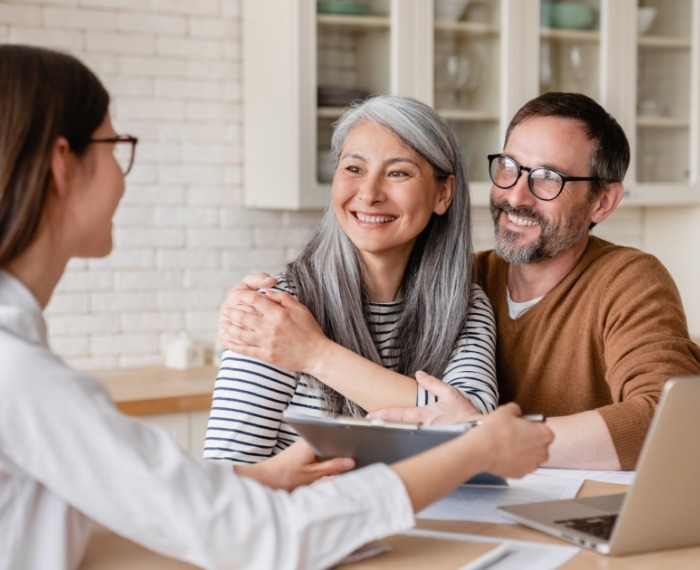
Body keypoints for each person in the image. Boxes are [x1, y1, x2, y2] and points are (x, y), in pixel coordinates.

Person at [0, 44, 553, 570]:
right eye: (115, 148)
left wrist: (258, 475)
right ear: (62, 165)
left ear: (443, 193)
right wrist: (476, 446)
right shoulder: (22, 378)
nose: (124, 176)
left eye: (399, 172)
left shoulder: (23, 368)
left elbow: (164, 499)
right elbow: (258, 533)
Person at [366, 92, 700, 471]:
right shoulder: (459, 280)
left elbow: (670, 421)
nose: (516, 196)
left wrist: (484, 436)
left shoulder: (626, 281)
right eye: (509, 167)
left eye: (547, 178)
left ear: (602, 202)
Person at [206, 95, 497, 464]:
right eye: (354, 169)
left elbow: (474, 428)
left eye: (398, 173)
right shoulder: (277, 313)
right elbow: (226, 478)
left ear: (443, 193)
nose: (370, 193)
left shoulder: (465, 304)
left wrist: (315, 354)